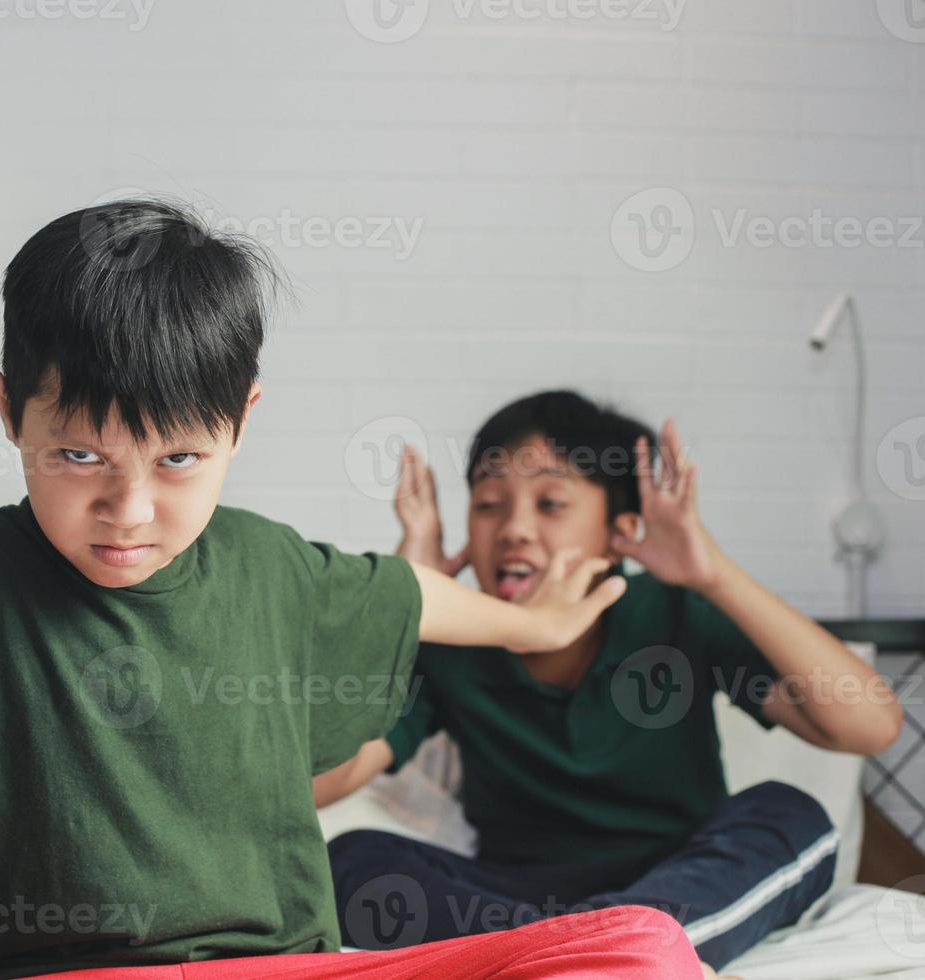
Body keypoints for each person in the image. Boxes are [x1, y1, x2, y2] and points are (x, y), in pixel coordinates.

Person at [0, 204, 701, 980]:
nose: (129, 510)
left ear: (241, 423)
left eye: (179, 461)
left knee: (641, 944)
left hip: (279, 973)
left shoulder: (275, 565)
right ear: (9, 411)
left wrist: (537, 620)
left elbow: (415, 594)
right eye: (80, 457)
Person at [315, 390, 902, 975]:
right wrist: (402, 603)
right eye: (490, 504)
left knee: (792, 816)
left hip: (684, 876)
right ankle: (596, 956)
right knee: (353, 858)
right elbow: (318, 783)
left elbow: (872, 725)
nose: (514, 528)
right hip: (510, 899)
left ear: (619, 531)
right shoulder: (453, 644)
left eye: (550, 503)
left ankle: (586, 951)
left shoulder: (675, 612)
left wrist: (714, 575)